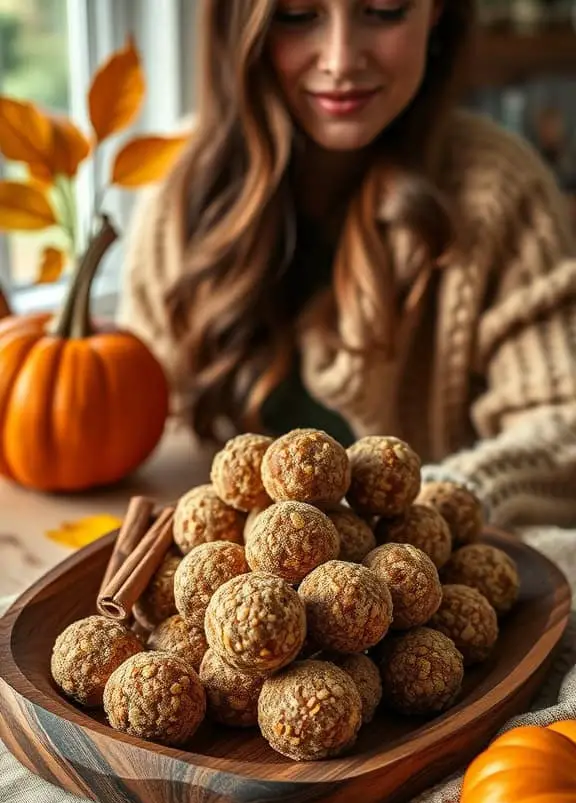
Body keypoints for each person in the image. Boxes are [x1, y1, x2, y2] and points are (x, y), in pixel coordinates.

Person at [118, 0, 576, 528]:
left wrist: (438, 506)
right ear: (239, 24)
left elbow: (561, 423)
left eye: (383, 11)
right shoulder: (181, 186)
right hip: (219, 584)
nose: (340, 60)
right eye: (295, 15)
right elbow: (141, 424)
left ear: (436, 13)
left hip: (420, 578)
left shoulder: (501, 191)